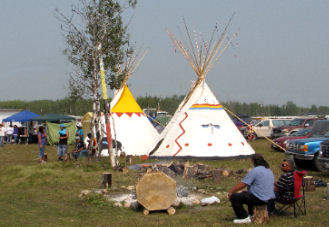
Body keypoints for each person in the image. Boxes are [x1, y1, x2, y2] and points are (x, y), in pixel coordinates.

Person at [228, 154, 275, 224]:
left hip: (259, 198)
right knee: (248, 194)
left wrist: (231, 192)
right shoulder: (269, 171)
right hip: (269, 199)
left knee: (234, 197)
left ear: (253, 161)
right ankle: (251, 214)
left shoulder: (255, 171)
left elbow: (243, 184)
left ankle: (243, 217)